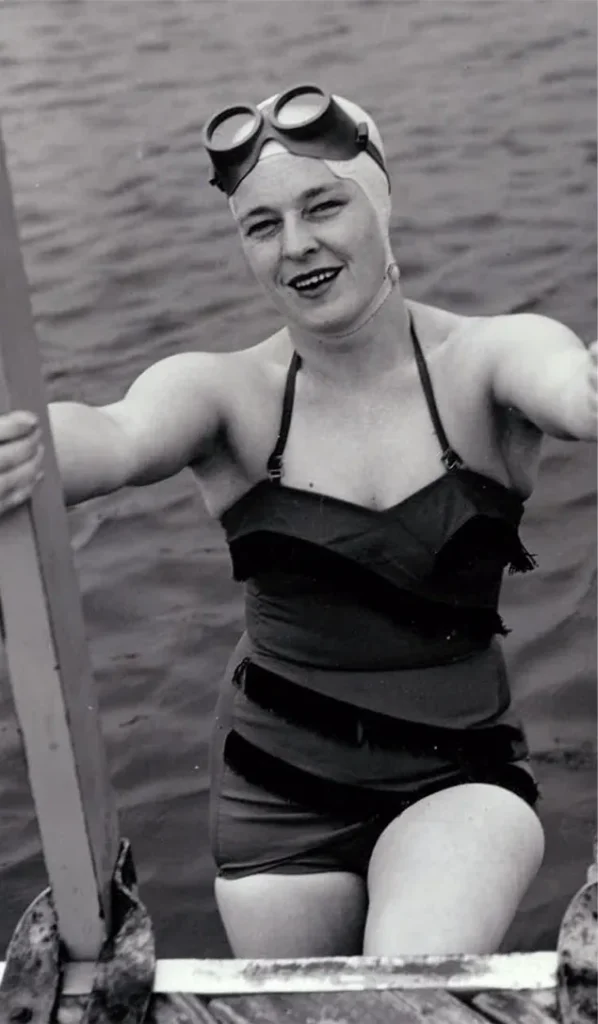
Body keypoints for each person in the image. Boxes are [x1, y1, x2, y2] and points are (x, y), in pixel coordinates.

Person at [1, 86, 596, 959]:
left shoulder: (484, 362)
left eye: (324, 206)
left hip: (457, 776)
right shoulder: (224, 394)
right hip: (275, 797)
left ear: (381, 208)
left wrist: (590, 388)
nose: (298, 244)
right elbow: (115, 435)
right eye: (262, 225)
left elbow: (569, 388)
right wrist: (25, 446)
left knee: (405, 990)